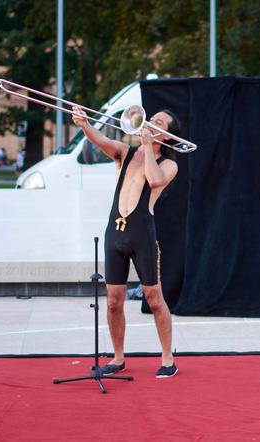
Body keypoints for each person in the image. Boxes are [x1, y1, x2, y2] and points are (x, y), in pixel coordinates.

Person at [72, 104, 180, 378]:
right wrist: (84, 124)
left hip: (142, 233)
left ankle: (168, 357)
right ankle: (118, 358)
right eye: (151, 118)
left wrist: (147, 147)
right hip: (115, 233)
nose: (151, 122)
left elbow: (155, 181)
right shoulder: (125, 152)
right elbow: (102, 141)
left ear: (165, 136)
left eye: (158, 123)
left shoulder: (169, 164)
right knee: (113, 301)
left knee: (154, 299)